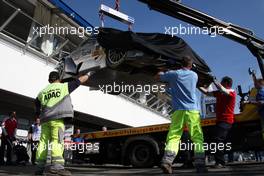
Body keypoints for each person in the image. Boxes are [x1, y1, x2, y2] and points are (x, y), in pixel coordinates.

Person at [157, 56, 207, 174]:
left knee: (174, 136)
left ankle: (167, 162)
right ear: (190, 65)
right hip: (192, 111)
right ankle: (200, 165)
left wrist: (162, 69)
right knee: (197, 137)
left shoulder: (174, 74)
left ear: (180, 64)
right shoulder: (194, 75)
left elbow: (159, 77)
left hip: (178, 110)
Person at [35, 71, 90, 175]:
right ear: (59, 79)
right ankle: (57, 167)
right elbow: (79, 81)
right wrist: (89, 74)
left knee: (43, 142)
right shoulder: (63, 86)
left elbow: (36, 102)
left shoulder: (42, 92)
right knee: (57, 141)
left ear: (49, 80)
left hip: (45, 120)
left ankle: (39, 167)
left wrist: (38, 114)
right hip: (57, 119)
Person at [199, 76, 236, 168]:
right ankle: (219, 161)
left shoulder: (231, 91)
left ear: (227, 83)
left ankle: (220, 162)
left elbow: (222, 89)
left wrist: (214, 81)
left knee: (217, 140)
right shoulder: (219, 93)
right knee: (216, 140)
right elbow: (206, 92)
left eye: (222, 82)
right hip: (220, 121)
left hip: (226, 121)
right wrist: (197, 85)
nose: (221, 83)